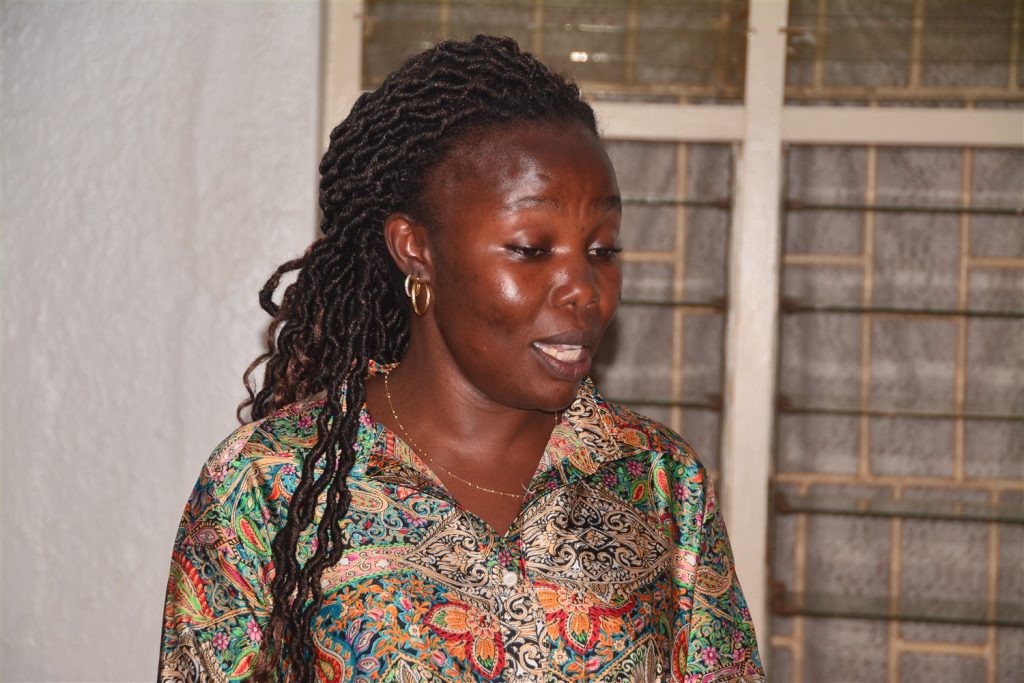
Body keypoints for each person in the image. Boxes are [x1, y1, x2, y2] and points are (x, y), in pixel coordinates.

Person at [159, 35, 763, 683]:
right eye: (531, 249)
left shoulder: (658, 479)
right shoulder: (269, 483)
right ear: (416, 250)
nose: (584, 290)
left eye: (602, 250)